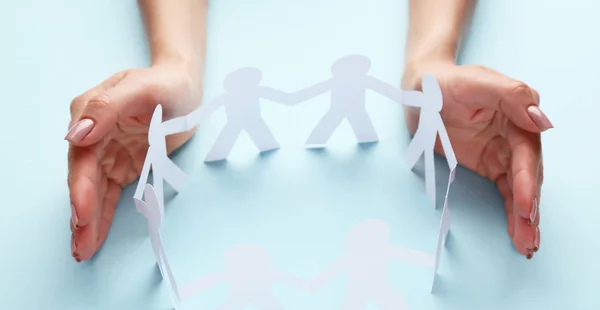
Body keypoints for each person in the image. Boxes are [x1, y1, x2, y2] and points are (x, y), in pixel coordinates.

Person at [66, 0, 550, 262]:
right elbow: (284, 99)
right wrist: (177, 69)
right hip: (242, 118)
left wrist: (431, 62)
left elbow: (290, 99)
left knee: (332, 123)